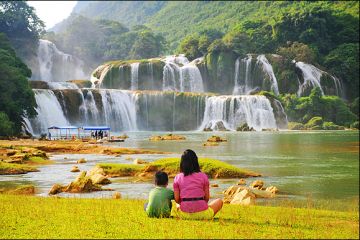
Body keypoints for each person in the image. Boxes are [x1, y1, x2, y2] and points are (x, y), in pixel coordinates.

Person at [171, 149, 223, 220]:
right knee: (219, 201)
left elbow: (177, 199)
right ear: (196, 161)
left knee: (176, 204)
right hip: (203, 214)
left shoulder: (177, 177)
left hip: (184, 215)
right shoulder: (203, 176)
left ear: (182, 163)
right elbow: (207, 198)